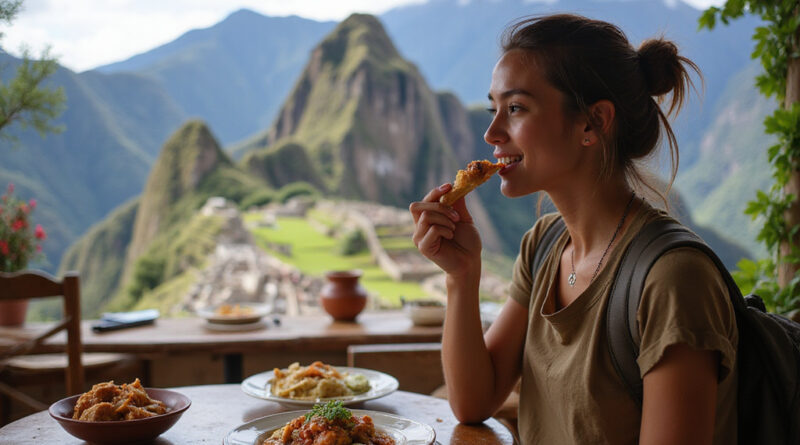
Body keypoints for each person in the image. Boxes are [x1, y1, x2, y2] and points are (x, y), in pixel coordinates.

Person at [409, 13, 737, 445]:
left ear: (593, 122)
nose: (491, 132)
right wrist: (461, 275)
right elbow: (474, 401)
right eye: (494, 108)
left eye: (516, 108)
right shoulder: (544, 245)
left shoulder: (673, 280)